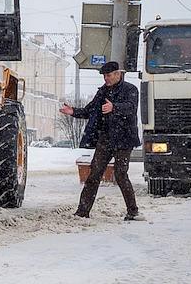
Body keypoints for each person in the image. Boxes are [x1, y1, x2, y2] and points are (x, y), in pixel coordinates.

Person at [59, 61, 143, 221]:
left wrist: (115, 107)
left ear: (118, 74)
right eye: (104, 76)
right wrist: (73, 112)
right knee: (94, 175)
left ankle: (133, 212)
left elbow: (131, 108)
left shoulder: (130, 89)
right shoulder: (102, 92)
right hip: (105, 139)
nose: (106, 78)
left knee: (120, 175)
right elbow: (89, 110)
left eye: (109, 75)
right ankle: (82, 212)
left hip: (124, 139)